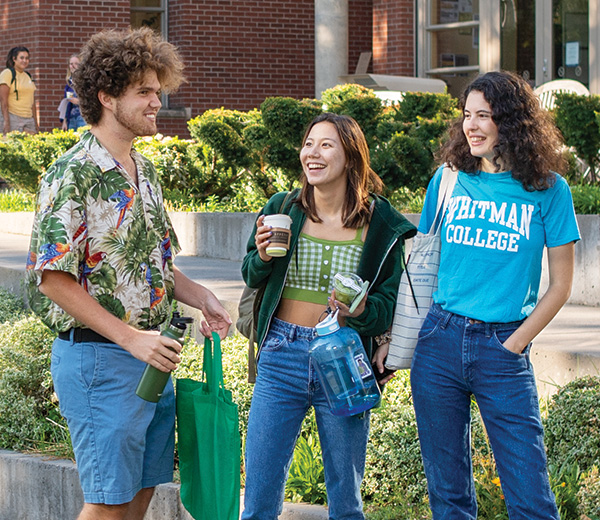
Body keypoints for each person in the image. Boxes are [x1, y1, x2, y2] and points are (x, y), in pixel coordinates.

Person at [26, 27, 232, 520]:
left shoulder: (145, 171)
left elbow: (158, 265)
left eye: (158, 90)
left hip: (152, 360)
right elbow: (52, 278)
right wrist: (131, 339)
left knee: (140, 497)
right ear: (106, 96)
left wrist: (202, 296)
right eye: (144, 91)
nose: (156, 101)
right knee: (108, 505)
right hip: (100, 362)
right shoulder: (70, 174)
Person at [394, 71, 579, 519]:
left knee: (530, 499)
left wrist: (515, 343)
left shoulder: (548, 190)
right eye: (466, 116)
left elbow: (560, 285)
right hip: (439, 341)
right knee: (449, 495)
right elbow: (423, 265)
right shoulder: (448, 180)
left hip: (503, 347)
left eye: (484, 116)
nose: (471, 126)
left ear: (511, 123)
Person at [240, 112, 416, 520]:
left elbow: (388, 305)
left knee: (346, 499)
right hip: (281, 353)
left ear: (351, 157)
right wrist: (263, 254)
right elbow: (250, 273)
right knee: (260, 495)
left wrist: (362, 311)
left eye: (325, 145)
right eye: (308, 144)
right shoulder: (283, 208)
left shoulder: (381, 225)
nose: (312, 154)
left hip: (343, 358)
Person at [0, 46, 37, 135]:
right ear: (14, 59)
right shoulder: (7, 73)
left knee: (32, 146)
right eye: (21, 58)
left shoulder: (28, 76)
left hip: (29, 118)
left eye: (27, 58)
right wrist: (6, 122)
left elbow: (32, 101)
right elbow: (3, 100)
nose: (25, 60)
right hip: (13, 117)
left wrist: (36, 122)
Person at [59, 55, 86, 130]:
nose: (73, 66)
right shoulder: (69, 84)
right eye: (71, 64)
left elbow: (90, 101)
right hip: (71, 119)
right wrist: (64, 121)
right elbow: (66, 104)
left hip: (82, 117)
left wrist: (79, 102)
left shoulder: (85, 82)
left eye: (76, 64)